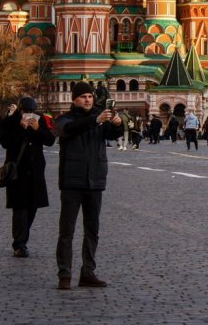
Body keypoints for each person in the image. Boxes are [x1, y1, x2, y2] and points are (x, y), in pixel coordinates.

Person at [55, 81, 123, 290]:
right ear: (74, 99)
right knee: (67, 231)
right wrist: (95, 119)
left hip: (95, 180)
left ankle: (88, 272)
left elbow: (112, 134)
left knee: (92, 230)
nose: (87, 100)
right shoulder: (65, 118)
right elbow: (68, 129)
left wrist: (118, 124)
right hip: (72, 181)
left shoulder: (99, 118)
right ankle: (65, 274)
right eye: (83, 97)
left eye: (90, 96)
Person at [0, 96, 55, 257]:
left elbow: (50, 140)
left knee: (32, 207)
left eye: (31, 111)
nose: (28, 114)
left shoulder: (40, 120)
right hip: (18, 171)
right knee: (19, 208)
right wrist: (19, 127)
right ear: (20, 110)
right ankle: (19, 243)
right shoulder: (11, 121)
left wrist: (38, 128)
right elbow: (4, 142)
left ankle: (23, 237)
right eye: (25, 111)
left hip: (36, 171)